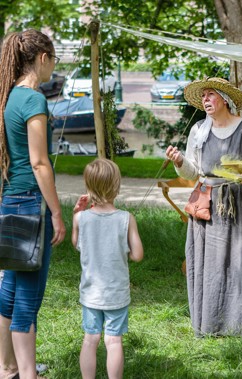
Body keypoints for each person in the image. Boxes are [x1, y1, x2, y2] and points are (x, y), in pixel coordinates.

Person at [165, 77, 242, 341]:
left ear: (224, 99)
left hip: (237, 204)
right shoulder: (198, 130)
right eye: (203, 96)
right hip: (207, 205)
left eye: (210, 95)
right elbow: (193, 171)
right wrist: (180, 161)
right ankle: (212, 323)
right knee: (211, 266)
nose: (205, 100)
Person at [0, 30, 66, 379]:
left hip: (10, 199)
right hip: (29, 203)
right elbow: (40, 163)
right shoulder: (33, 99)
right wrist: (56, 211)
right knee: (27, 296)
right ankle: (28, 375)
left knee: (9, 288)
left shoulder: (9, 96)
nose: (52, 69)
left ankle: (7, 367)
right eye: (53, 62)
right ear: (43, 58)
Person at [71, 158, 144, 379]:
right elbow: (138, 255)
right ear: (116, 186)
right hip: (116, 294)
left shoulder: (80, 218)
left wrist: (76, 212)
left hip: (91, 292)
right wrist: (128, 251)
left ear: (88, 186)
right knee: (113, 341)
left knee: (90, 339)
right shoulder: (126, 218)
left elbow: (76, 245)